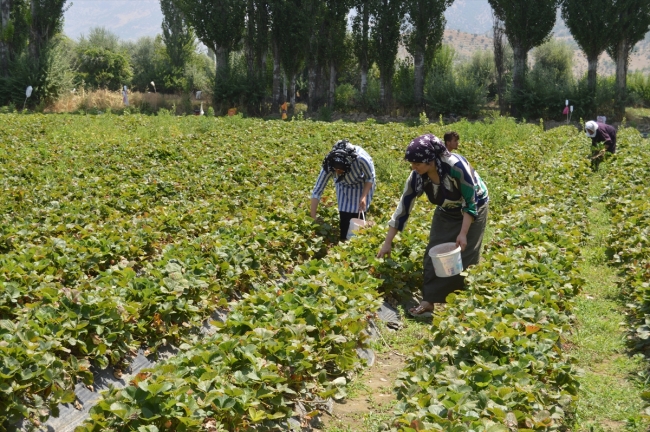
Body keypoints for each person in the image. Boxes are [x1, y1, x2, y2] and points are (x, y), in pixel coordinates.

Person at [377, 134, 489, 317]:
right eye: (411, 163)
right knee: (433, 253)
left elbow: (471, 202)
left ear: (430, 160)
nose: (413, 167)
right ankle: (428, 301)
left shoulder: (455, 167)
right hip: (445, 210)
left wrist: (462, 233)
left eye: (417, 163)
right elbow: (402, 209)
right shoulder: (416, 177)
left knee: (464, 255)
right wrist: (388, 242)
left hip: (474, 206)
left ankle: (462, 305)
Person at [311, 140, 376, 241]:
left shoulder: (361, 159)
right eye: (336, 170)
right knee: (345, 218)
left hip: (362, 184)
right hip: (343, 185)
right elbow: (318, 189)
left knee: (358, 217)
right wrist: (313, 215)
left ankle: (358, 243)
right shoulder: (329, 164)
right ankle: (344, 240)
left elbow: (370, 178)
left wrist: (364, 196)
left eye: (340, 170)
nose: (337, 172)